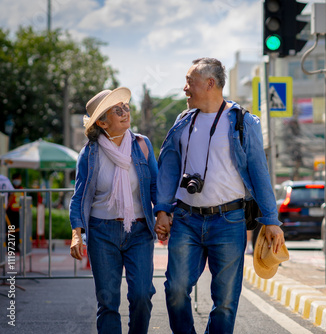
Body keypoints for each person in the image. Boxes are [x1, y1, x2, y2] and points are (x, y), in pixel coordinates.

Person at [154, 57, 285, 334]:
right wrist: (163, 209)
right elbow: (168, 166)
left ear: (210, 83)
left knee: (225, 302)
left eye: (190, 82)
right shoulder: (182, 121)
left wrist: (271, 220)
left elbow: (259, 172)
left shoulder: (242, 122)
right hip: (187, 219)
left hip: (229, 221)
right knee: (175, 290)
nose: (184, 89)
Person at [69, 87, 158, 334]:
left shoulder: (142, 145)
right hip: (102, 232)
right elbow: (79, 196)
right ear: (102, 121)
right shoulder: (89, 153)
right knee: (107, 302)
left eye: (126, 107)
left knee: (142, 295)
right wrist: (77, 233)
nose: (125, 112)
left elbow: (155, 186)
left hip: (139, 230)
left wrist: (163, 214)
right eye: (117, 110)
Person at [6, 173, 22, 252]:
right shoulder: (10, 188)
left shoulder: (22, 188)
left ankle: (16, 246)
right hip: (10, 212)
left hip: (18, 212)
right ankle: (11, 246)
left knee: (17, 230)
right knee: (10, 230)